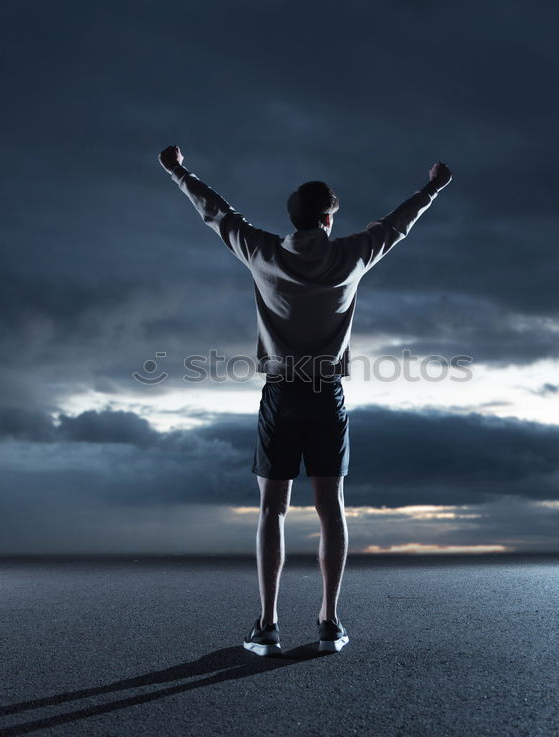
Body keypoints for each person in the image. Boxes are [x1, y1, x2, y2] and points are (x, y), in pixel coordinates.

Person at [159, 144, 451, 655]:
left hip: (281, 394)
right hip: (326, 396)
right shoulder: (350, 255)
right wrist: (432, 187)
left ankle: (268, 625)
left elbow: (216, 212)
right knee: (330, 509)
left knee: (271, 510)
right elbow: (398, 224)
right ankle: (328, 624)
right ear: (328, 218)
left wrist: (179, 170)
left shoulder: (263, 252)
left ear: (294, 218)